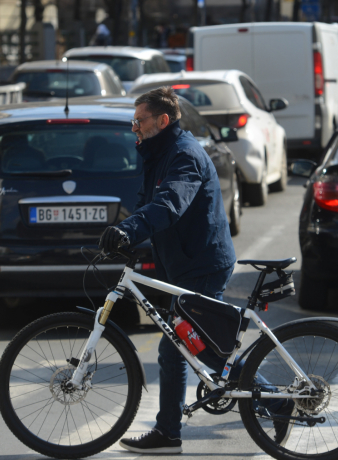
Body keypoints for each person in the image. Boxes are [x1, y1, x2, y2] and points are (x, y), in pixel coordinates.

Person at [98, 87, 290, 454]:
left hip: (201, 264)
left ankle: (277, 402)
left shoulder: (184, 155)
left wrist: (131, 230)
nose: (134, 128)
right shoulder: (157, 152)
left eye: (139, 121)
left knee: (204, 347)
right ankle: (168, 434)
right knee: (177, 349)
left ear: (162, 121)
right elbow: (146, 203)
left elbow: (170, 203)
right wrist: (124, 236)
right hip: (181, 262)